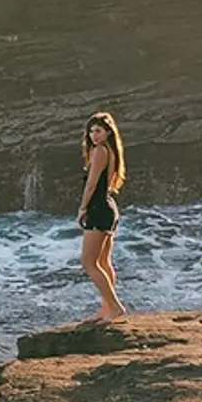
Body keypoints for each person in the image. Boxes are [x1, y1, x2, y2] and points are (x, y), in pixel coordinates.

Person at [76, 111, 126, 322]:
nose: (93, 136)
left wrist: (82, 208)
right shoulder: (111, 151)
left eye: (98, 131)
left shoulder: (99, 151)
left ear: (107, 132)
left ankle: (115, 307)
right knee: (104, 262)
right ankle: (107, 309)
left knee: (88, 263)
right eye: (90, 132)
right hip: (108, 207)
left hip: (98, 209)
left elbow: (91, 184)